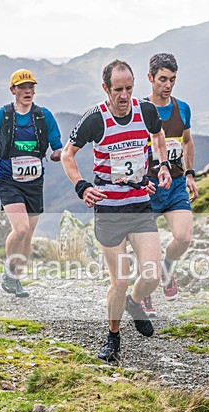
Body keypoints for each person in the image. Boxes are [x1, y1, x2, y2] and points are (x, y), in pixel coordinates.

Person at [61, 59, 172, 363]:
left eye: (129, 88)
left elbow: (158, 137)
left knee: (151, 274)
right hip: (109, 209)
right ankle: (113, 337)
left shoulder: (146, 110)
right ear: (106, 88)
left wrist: (159, 168)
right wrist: (82, 186)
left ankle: (136, 302)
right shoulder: (95, 119)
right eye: (118, 90)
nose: (124, 96)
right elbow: (67, 155)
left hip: (139, 205)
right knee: (119, 281)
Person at [0, 69, 62, 298]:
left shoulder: (44, 116)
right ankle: (8, 271)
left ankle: (15, 278)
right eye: (22, 87)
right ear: (12, 90)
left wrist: (60, 154)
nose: (27, 91)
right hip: (8, 179)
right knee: (20, 229)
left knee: (28, 236)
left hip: (34, 182)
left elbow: (57, 146)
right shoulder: (1, 116)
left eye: (31, 87)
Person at [140, 53, 198, 317]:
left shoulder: (182, 108)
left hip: (175, 184)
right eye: (162, 79)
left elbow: (186, 141)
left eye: (172, 80)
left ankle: (167, 268)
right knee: (145, 249)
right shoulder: (138, 109)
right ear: (150, 78)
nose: (168, 85)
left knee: (183, 237)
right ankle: (145, 294)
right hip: (148, 187)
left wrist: (189, 174)